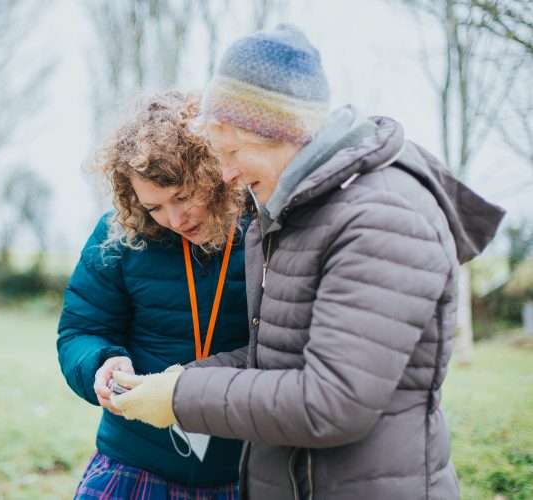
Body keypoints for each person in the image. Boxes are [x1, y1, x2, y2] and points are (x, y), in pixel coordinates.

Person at [111, 24, 505, 499]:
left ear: (282, 132)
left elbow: (332, 402)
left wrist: (179, 399)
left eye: (233, 152)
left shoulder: (382, 217)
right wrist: (182, 378)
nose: (228, 175)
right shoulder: (293, 217)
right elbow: (278, 358)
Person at [57, 90, 251, 499]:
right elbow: (80, 329)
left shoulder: (264, 233)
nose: (175, 219)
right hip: (135, 457)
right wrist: (101, 363)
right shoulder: (118, 236)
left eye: (183, 197)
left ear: (213, 172)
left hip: (242, 467)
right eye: (155, 207)